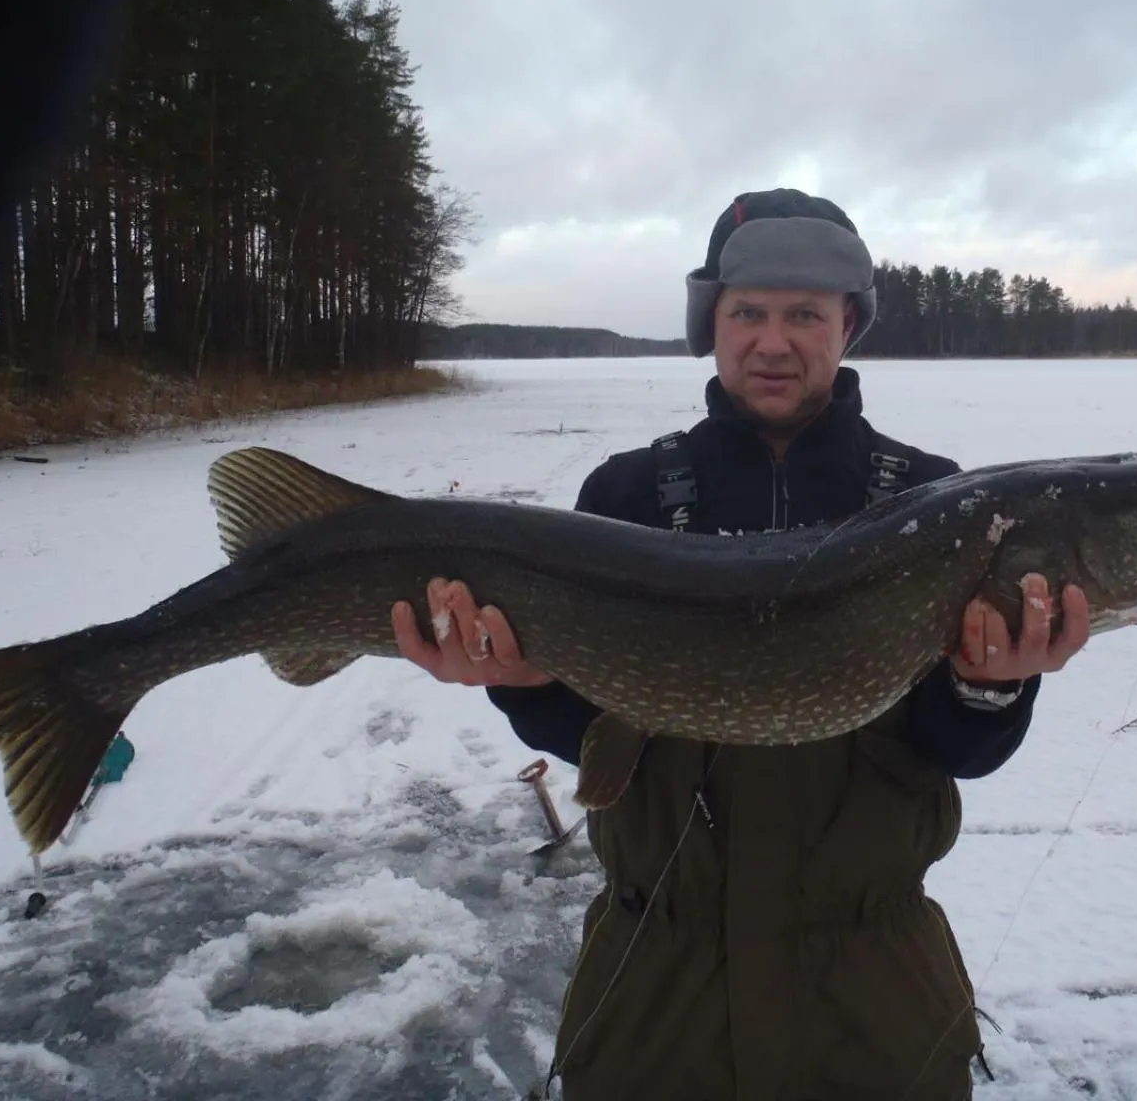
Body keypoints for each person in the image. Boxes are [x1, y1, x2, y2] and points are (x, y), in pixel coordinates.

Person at [391, 188, 1090, 1100]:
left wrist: (993, 688)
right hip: (656, 992)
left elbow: (953, 749)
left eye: (805, 314)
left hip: (874, 996)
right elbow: (592, 739)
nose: (773, 340)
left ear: (848, 325)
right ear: (710, 325)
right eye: (747, 312)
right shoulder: (630, 494)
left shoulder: (934, 502)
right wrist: (522, 682)